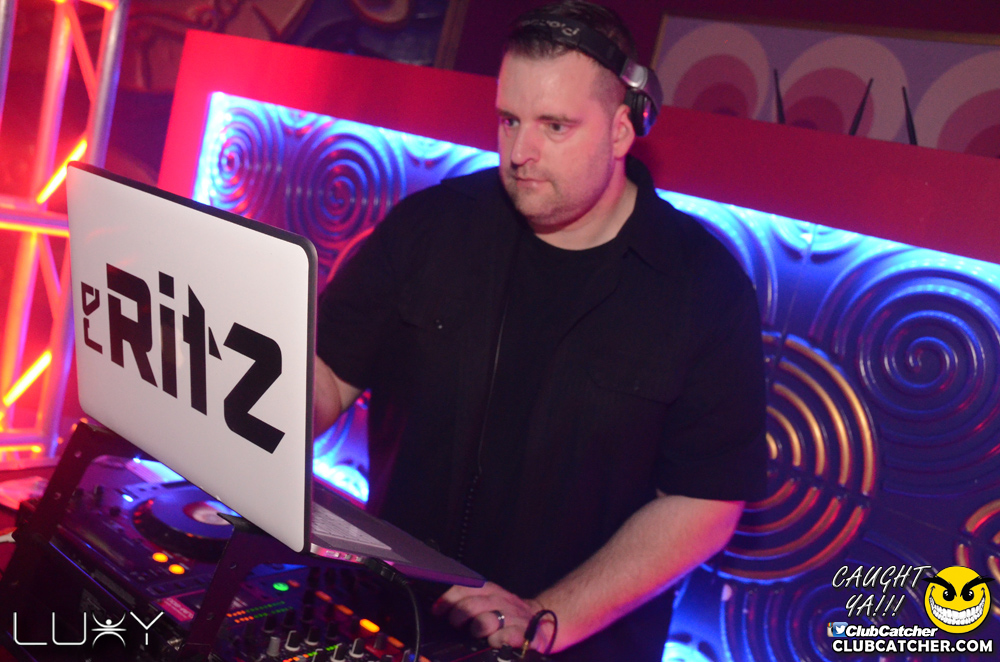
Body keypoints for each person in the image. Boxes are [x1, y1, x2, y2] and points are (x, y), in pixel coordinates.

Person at [313, 1, 768, 659]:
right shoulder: (431, 227)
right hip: (388, 624)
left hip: (574, 645)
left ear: (622, 130)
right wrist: (247, 428)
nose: (520, 153)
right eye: (509, 120)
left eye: (555, 126)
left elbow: (706, 503)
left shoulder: (704, 287)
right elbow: (328, 373)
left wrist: (546, 618)